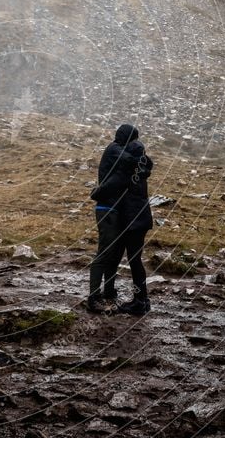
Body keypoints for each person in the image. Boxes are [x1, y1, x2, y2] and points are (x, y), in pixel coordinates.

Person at [87, 124, 154, 315]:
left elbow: (112, 184)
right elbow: (141, 164)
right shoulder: (139, 174)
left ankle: (135, 301)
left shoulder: (127, 174)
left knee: (116, 256)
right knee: (125, 258)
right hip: (136, 221)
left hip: (130, 222)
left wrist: (96, 193)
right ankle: (136, 299)